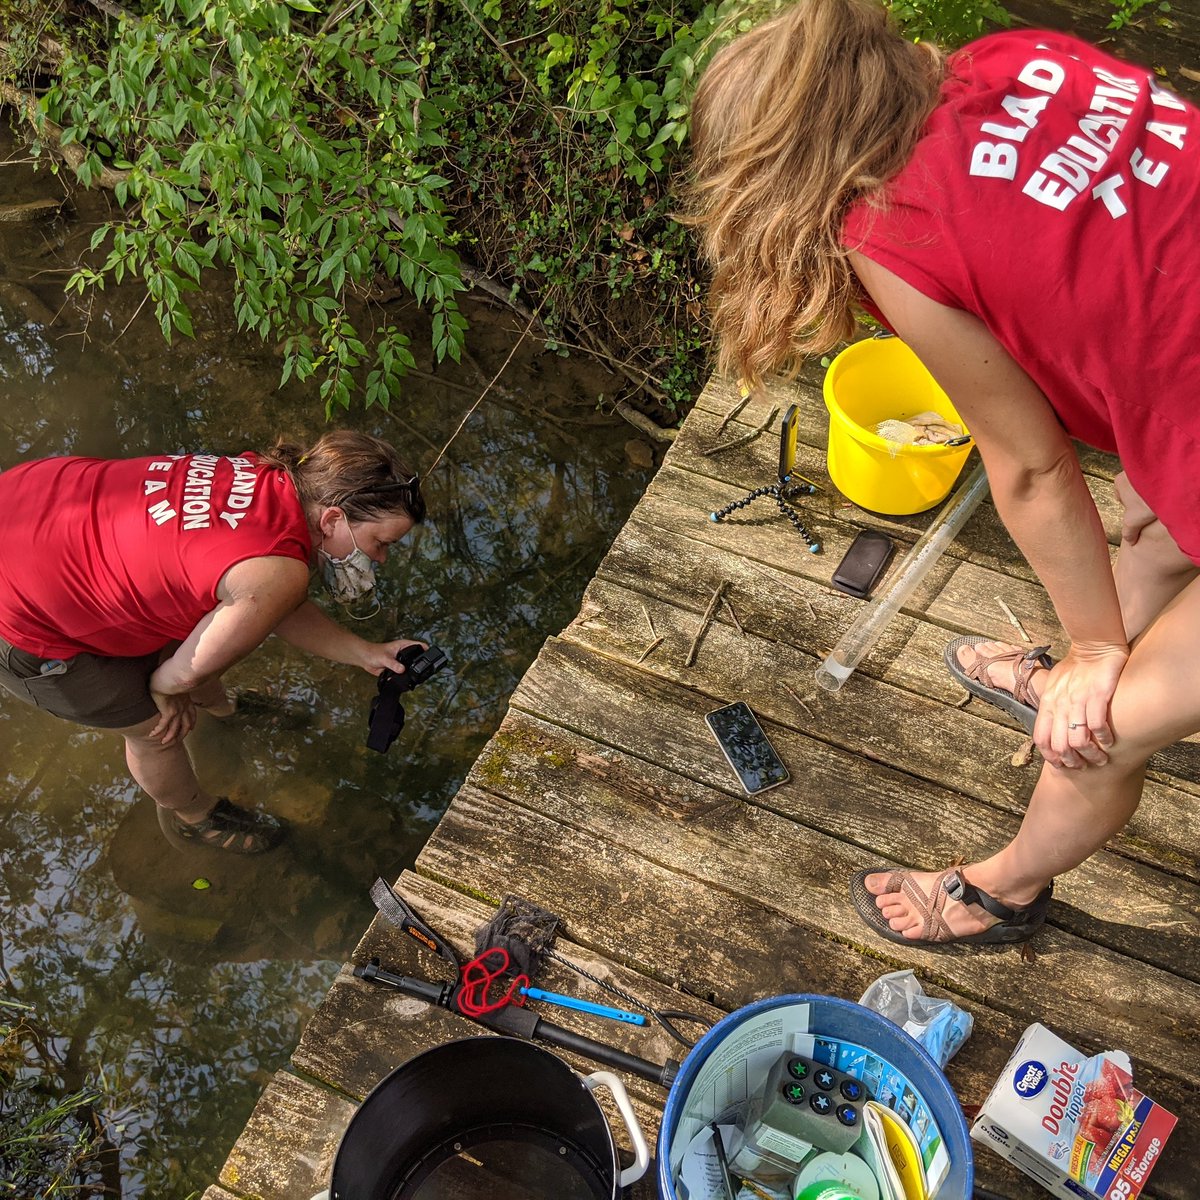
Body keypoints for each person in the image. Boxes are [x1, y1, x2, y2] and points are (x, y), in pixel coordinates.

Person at [688, 0, 1199, 944]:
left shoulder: (894, 232)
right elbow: (1129, 243)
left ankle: (1005, 890)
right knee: (1159, 525)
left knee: (1097, 735)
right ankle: (1076, 664)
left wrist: (1099, 656)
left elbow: (1034, 469)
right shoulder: (1016, 58)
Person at [0, 431, 426, 854]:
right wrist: (166, 691)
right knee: (157, 730)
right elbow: (187, 670)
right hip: (21, 611)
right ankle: (195, 816)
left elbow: (269, 599)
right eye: (381, 543)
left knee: (200, 610)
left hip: (31, 504)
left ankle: (224, 708)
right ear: (332, 520)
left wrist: (366, 653)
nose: (381, 558)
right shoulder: (277, 573)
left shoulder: (267, 474)